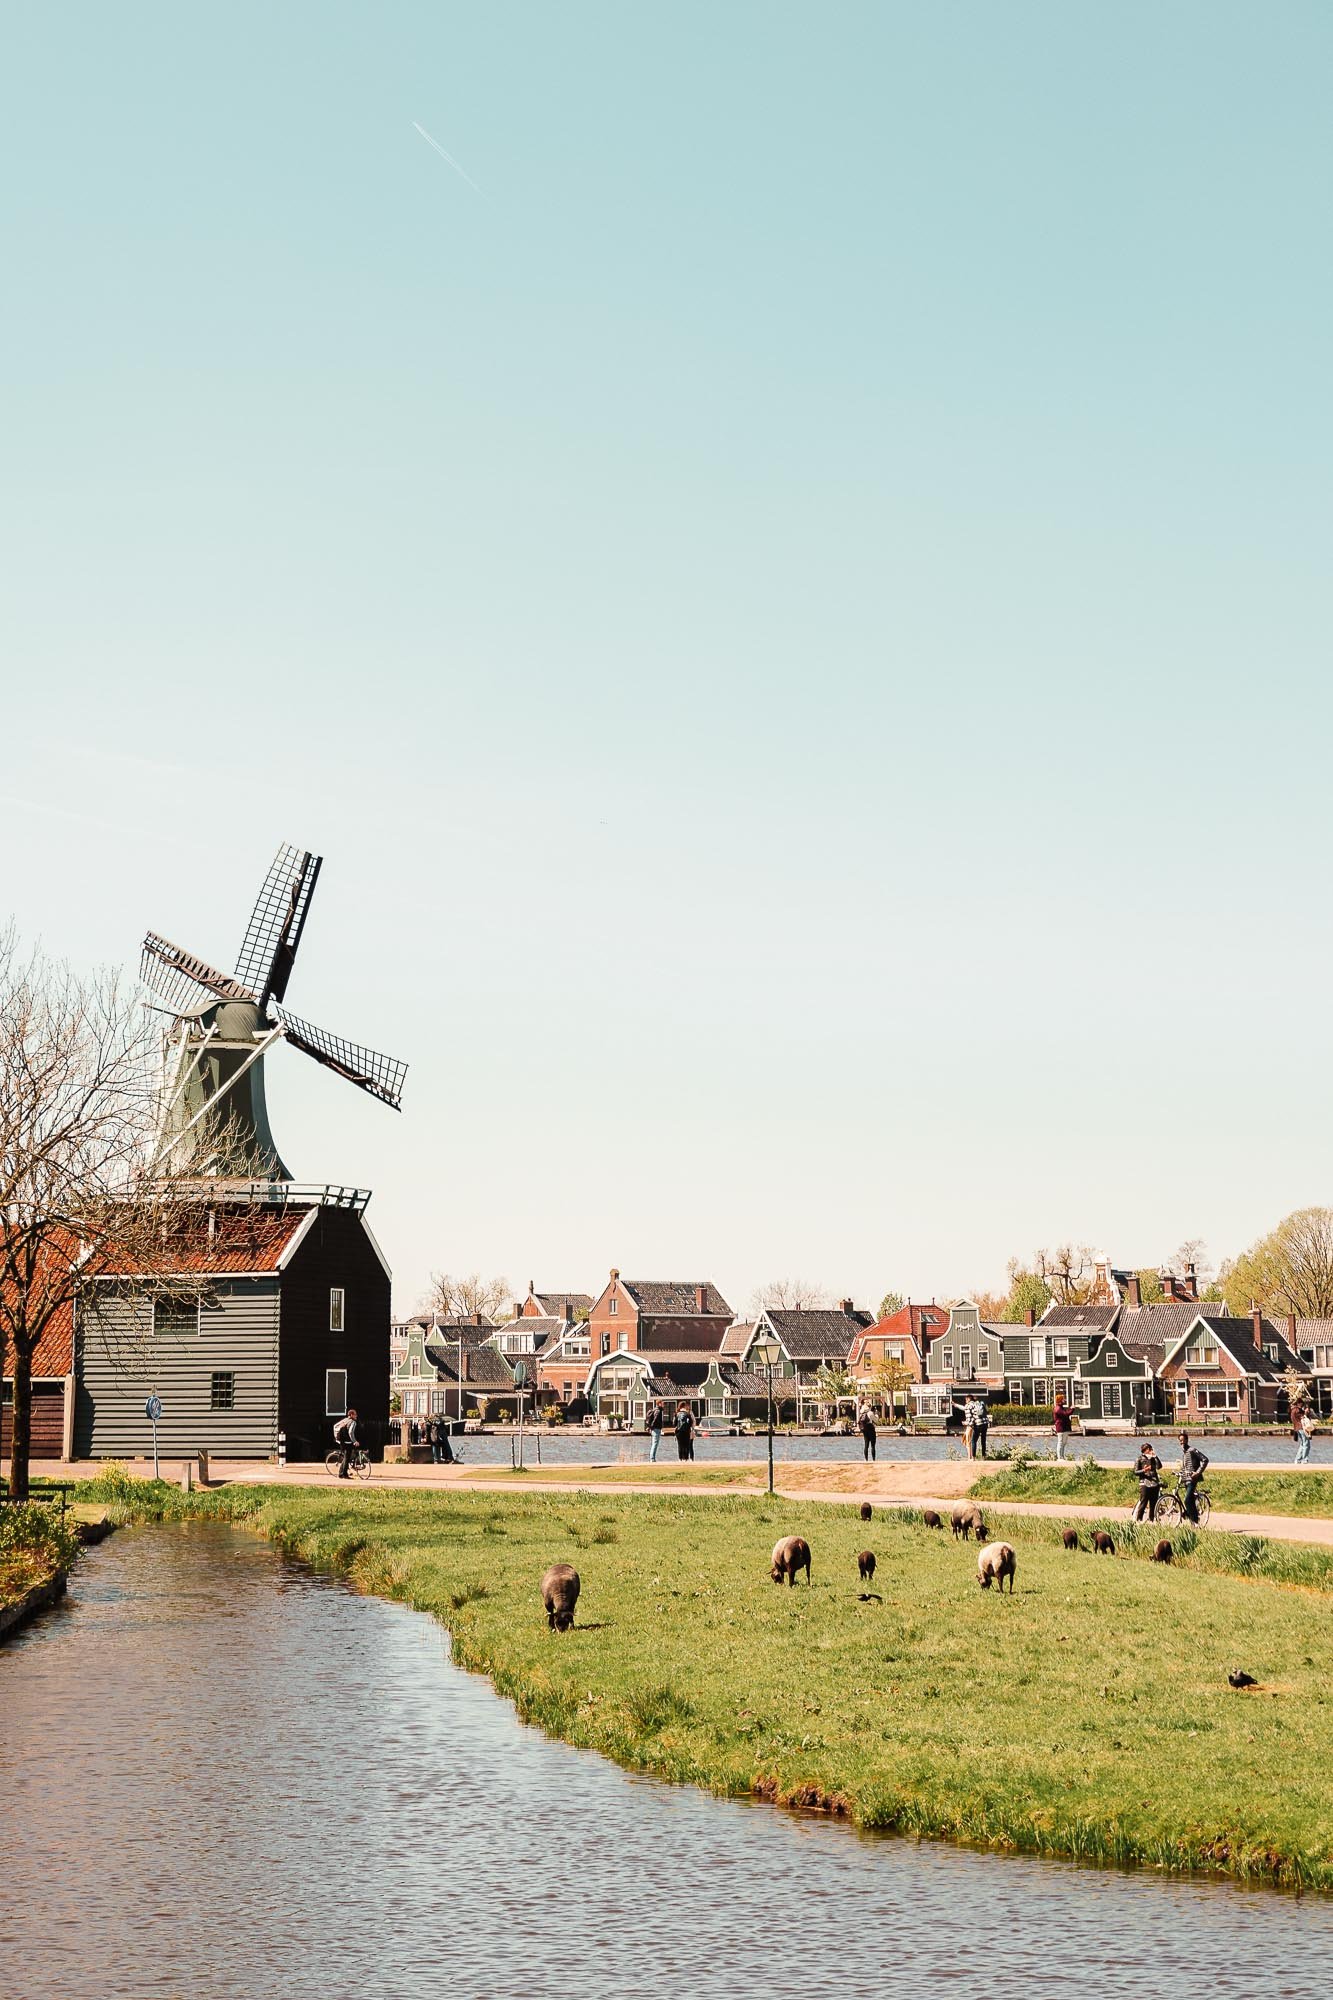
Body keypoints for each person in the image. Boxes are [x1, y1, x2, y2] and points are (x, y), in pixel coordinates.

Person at [1178, 1432, 1209, 1522]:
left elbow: (1205, 1459)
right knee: (1190, 1500)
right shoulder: (1184, 1453)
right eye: (1180, 1441)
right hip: (1185, 1479)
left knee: (1187, 1500)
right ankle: (1193, 1519)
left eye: (1183, 1440)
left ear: (1187, 1440)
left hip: (1192, 1479)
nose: (1182, 1442)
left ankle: (1193, 1519)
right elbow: (1186, 1466)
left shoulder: (1192, 1450)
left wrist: (1198, 1472)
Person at [1132, 1441, 1163, 1522]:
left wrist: (1155, 1457)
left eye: (1151, 1449)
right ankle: (1139, 1520)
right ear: (1145, 1450)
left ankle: (1151, 1520)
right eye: (1149, 1449)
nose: (1151, 1450)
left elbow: (1159, 1466)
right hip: (1144, 1483)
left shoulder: (1153, 1458)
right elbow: (1135, 1472)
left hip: (1154, 1483)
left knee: (1154, 1504)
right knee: (1143, 1503)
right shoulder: (1139, 1459)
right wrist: (1144, 1470)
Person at [332, 1406, 359, 1479]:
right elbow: (350, 1432)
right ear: (351, 1415)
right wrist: (355, 1441)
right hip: (347, 1442)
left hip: (342, 1442)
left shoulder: (345, 1420)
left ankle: (341, 1474)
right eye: (355, 1414)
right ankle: (344, 1475)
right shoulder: (353, 1422)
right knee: (347, 1458)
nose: (356, 1416)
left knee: (346, 1458)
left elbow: (335, 1426)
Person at [1052, 1396, 1074, 1461]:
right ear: (1060, 1400)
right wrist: (1072, 1409)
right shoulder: (1058, 1409)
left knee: (1064, 1443)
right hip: (1061, 1427)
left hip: (1064, 1427)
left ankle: (1062, 1456)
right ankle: (1059, 1457)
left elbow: (1065, 1413)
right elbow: (1066, 1414)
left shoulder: (1061, 1408)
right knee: (1060, 1442)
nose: (1064, 1400)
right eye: (1063, 1399)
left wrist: (1070, 1409)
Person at [647, 1399, 665, 1463]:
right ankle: (652, 1458)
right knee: (655, 1443)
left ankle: (652, 1458)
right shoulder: (658, 1411)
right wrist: (652, 1427)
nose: (664, 1405)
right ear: (659, 1404)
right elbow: (655, 1419)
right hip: (656, 1429)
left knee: (654, 1443)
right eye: (662, 1403)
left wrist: (650, 1427)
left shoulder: (655, 1410)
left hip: (654, 1429)